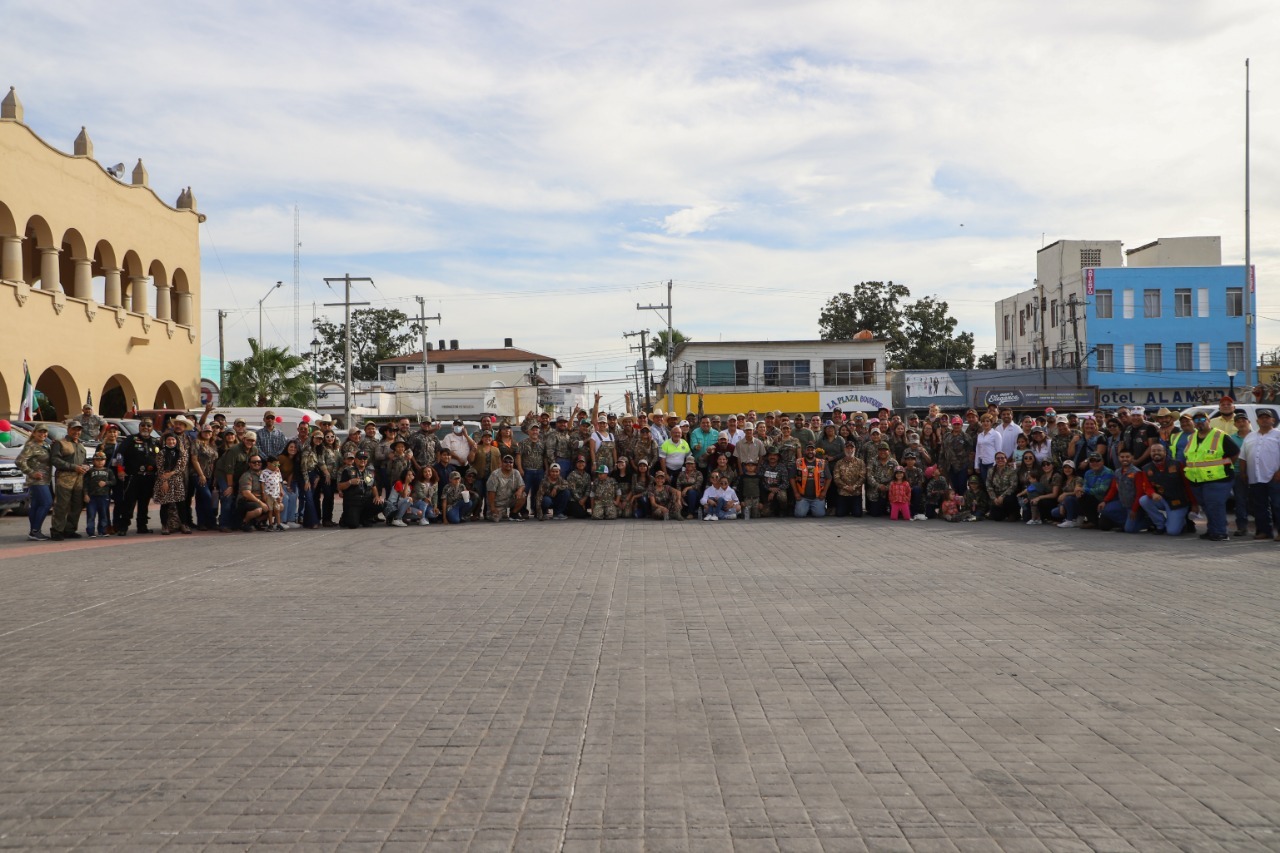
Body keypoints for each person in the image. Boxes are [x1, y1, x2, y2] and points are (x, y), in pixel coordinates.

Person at [1183, 411, 1239, 542]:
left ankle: (1220, 533)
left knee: (1215, 505)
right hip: (1197, 479)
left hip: (1218, 479)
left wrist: (1224, 466)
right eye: (1196, 420)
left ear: (1209, 421)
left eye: (1202, 419)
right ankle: (1212, 530)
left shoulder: (1220, 435)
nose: (1199, 422)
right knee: (1207, 506)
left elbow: (1235, 453)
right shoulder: (1191, 437)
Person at [1136, 443, 1194, 536]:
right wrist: (1153, 494)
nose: (1156, 453)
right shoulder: (1146, 468)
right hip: (1161, 499)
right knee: (1144, 500)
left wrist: (1194, 503)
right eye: (1153, 451)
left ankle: (1182, 522)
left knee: (1172, 532)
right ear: (1150, 453)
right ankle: (1160, 525)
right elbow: (1147, 487)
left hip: (1178, 501)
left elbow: (1188, 485)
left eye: (1159, 450)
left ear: (1165, 452)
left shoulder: (1178, 464)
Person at [48, 419, 90, 540]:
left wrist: (86, 466)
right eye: (74, 429)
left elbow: (84, 461)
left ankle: (70, 529)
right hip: (65, 478)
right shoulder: (60, 443)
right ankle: (57, 531)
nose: (76, 432)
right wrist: (73, 467)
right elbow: (55, 460)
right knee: (62, 505)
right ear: (68, 430)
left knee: (77, 505)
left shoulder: (81, 445)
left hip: (79, 480)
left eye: (78, 430)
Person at [1241, 407, 1280, 541]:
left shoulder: (1278, 434)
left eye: (1267, 417)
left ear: (1273, 420)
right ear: (1257, 421)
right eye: (1261, 417)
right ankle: (1265, 531)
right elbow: (1243, 456)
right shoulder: (1250, 436)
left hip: (1275, 476)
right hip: (1255, 477)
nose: (1264, 419)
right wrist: (1243, 473)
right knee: (1260, 506)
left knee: (1278, 504)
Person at [16, 425, 54, 541]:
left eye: (45, 432)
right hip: (37, 480)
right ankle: (35, 531)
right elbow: (19, 461)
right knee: (47, 503)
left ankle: (34, 531)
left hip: (46, 479)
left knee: (37, 505)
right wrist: (31, 472)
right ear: (34, 433)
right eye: (40, 432)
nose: (43, 434)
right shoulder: (31, 446)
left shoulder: (45, 445)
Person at [154, 431, 192, 534]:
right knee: (165, 504)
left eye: (173, 439)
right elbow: (160, 468)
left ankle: (184, 524)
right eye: (169, 440)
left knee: (181, 504)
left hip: (177, 480)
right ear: (165, 441)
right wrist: (164, 481)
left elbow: (182, 466)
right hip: (164, 480)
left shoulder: (181, 452)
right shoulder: (161, 453)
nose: (171, 441)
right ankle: (165, 526)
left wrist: (171, 473)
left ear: (176, 441)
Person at [337, 450, 383, 528]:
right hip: (353, 502)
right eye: (360, 458)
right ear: (355, 460)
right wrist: (350, 482)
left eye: (364, 459)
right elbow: (340, 486)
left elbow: (373, 486)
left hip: (366, 500)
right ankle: (345, 518)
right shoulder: (348, 471)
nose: (362, 460)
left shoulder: (370, 472)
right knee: (353, 525)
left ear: (367, 461)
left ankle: (364, 518)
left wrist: (377, 497)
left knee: (380, 505)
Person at [791, 443, 828, 518]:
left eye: (812, 450)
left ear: (815, 451)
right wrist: (796, 493)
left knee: (819, 514)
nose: (810, 452)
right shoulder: (798, 462)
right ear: (805, 451)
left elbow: (829, 478)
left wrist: (824, 492)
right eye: (808, 450)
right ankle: (806, 507)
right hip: (803, 497)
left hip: (817, 497)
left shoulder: (822, 462)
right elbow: (791, 478)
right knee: (799, 515)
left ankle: (811, 508)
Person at [486, 454, 526, 522]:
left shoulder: (516, 473)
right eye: (506, 462)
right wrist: (492, 507)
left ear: (513, 464)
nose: (508, 464)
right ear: (502, 463)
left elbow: (522, 485)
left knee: (523, 495)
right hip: (498, 503)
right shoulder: (495, 475)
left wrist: (519, 490)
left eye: (510, 462)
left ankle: (513, 514)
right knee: (495, 519)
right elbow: (491, 492)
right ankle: (500, 513)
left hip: (510, 499)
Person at [83, 451, 114, 537]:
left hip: (104, 496)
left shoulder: (108, 471)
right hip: (92, 497)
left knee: (103, 515)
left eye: (102, 460)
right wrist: (85, 494)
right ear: (93, 461)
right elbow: (85, 484)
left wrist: (106, 483)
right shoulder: (90, 471)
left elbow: (113, 481)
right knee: (91, 515)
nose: (100, 462)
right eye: (97, 460)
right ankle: (90, 531)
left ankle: (103, 530)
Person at [237, 453, 272, 530]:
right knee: (259, 509)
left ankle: (256, 522)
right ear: (249, 464)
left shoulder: (264, 474)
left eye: (259, 462)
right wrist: (260, 503)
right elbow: (246, 493)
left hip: (261, 499)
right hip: (245, 501)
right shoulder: (247, 476)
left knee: (279, 507)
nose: (257, 463)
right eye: (254, 462)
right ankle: (244, 522)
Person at [260, 456, 284, 531]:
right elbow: (262, 483)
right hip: (269, 494)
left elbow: (279, 482)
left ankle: (278, 524)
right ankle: (270, 524)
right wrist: (263, 493)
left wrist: (281, 490)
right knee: (270, 510)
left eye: (278, 465)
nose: (276, 467)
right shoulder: (264, 472)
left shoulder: (278, 471)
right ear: (268, 464)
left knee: (277, 509)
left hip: (276, 494)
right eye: (275, 465)